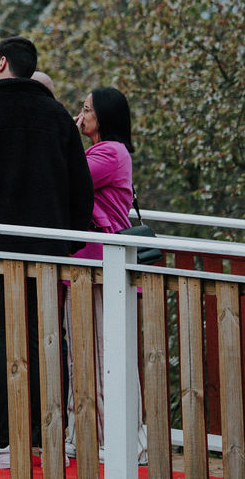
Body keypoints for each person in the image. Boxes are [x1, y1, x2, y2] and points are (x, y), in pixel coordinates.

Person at [0, 36, 93, 469]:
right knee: (46, 338)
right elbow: (81, 188)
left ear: (1, 63)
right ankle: (47, 438)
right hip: (48, 252)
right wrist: (68, 242)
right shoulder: (57, 117)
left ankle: (4, 440)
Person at [64, 87, 148, 463]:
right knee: (86, 352)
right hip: (91, 265)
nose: (80, 116)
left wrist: (64, 136)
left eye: (86, 110)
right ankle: (87, 433)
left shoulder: (109, 153)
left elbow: (68, 180)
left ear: (104, 118)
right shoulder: (105, 151)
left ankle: (113, 440)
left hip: (99, 267)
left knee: (99, 354)